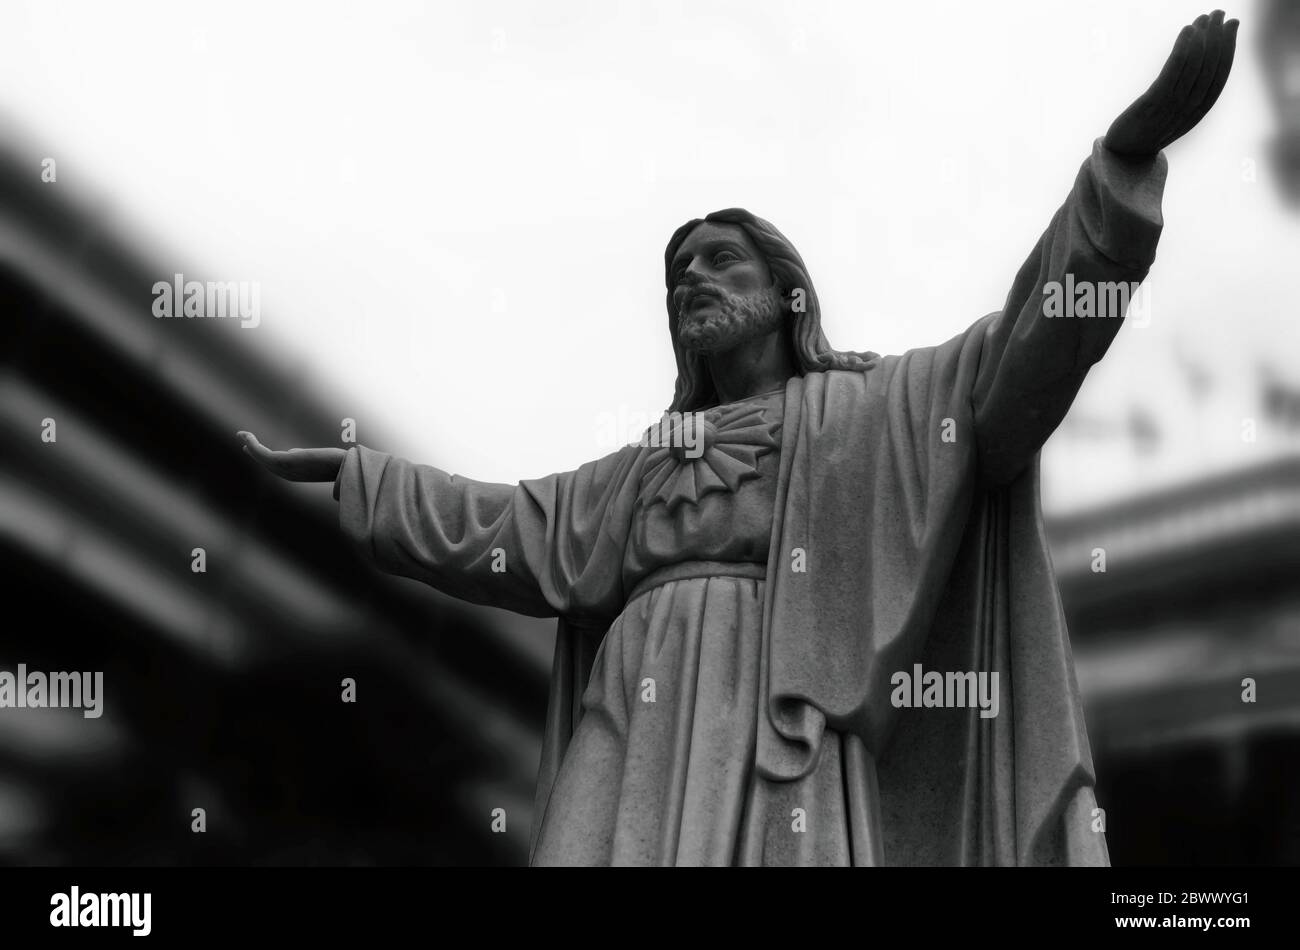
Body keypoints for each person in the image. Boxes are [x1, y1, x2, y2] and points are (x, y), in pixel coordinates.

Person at [240, 11, 1238, 866]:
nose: (694, 283)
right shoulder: (642, 465)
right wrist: (365, 477)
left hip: (782, 712)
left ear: (786, 293)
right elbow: (508, 526)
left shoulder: (875, 407)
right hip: (639, 702)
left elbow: (1029, 346)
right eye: (680, 274)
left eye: (722, 262)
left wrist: (1119, 168)